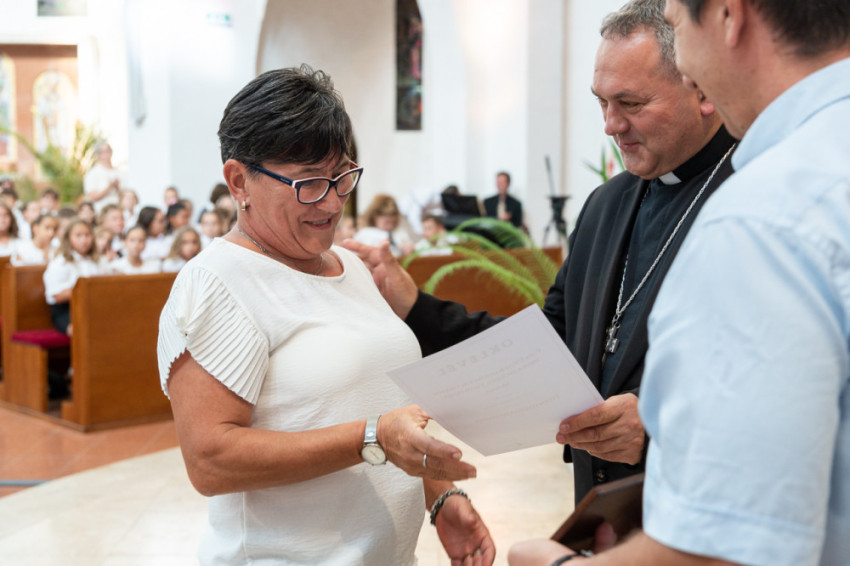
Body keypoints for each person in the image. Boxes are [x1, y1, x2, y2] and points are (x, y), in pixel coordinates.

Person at [345, 0, 734, 506]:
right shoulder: (607, 205)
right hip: (601, 506)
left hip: (706, 506)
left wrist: (659, 423)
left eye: (631, 103)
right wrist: (415, 307)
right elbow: (545, 347)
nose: (610, 125)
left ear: (701, 90)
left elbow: (786, 378)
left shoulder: (753, 198)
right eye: (601, 102)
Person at [508, 0, 850, 564]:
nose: (688, 69)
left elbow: (731, 544)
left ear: (727, 16)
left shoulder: (764, 214)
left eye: (677, 23)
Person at [157, 65, 494, 566]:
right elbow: (210, 460)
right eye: (309, 182)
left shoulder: (352, 265)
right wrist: (371, 437)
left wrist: (440, 495)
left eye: (341, 177)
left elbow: (374, 404)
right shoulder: (218, 283)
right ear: (239, 180)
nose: (333, 201)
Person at [43, 217, 101, 336]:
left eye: (87, 235)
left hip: (95, 306)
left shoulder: (97, 261)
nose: (84, 240)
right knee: (84, 329)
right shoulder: (61, 262)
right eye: (78, 235)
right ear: (68, 238)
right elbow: (55, 295)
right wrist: (85, 290)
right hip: (67, 310)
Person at [83, 141, 122, 210]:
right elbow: (92, 197)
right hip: (101, 211)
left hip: (118, 209)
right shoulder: (93, 173)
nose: (107, 154)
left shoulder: (119, 172)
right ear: (98, 155)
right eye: (103, 152)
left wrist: (117, 187)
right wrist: (109, 187)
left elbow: (124, 195)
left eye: (108, 151)